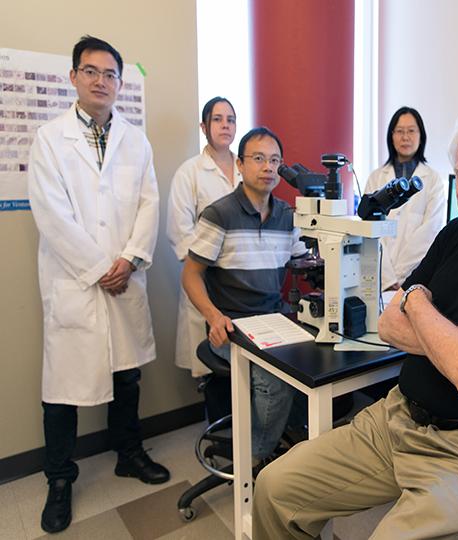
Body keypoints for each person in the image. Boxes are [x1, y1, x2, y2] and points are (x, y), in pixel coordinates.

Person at [252, 106, 458, 539]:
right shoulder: (455, 235)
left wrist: (419, 304)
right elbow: (389, 324)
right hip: (398, 419)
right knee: (274, 488)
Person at [27, 35, 169, 534]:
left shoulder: (135, 140)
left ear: (120, 83)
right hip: (76, 282)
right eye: (91, 71)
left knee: (127, 377)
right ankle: (59, 479)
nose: (101, 81)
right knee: (62, 389)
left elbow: (149, 204)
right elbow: (52, 215)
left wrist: (128, 260)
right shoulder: (50, 139)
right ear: (74, 77)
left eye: (110, 74)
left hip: (124, 278)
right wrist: (98, 268)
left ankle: (129, 454)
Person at [181, 126, 306, 469]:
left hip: (275, 318)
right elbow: (190, 275)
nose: (268, 167)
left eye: (275, 161)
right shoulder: (220, 214)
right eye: (259, 158)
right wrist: (213, 317)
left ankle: (293, 442)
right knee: (274, 378)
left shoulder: (287, 215)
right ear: (240, 164)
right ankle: (255, 459)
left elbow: (305, 263)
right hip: (233, 323)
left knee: (314, 362)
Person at [167, 96, 241, 376]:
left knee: (245, 368)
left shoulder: (247, 169)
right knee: (213, 368)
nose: (225, 125)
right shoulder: (190, 172)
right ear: (204, 126)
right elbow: (179, 231)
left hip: (243, 279)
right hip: (206, 277)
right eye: (217, 119)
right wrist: (205, 265)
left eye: (230, 120)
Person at [364, 106, 446, 291]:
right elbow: (369, 229)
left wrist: (401, 275)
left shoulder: (433, 180)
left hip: (416, 277)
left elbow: (430, 231)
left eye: (411, 131)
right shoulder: (376, 178)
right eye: (400, 131)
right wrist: (388, 278)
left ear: (421, 135)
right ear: (391, 136)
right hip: (379, 276)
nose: (405, 137)